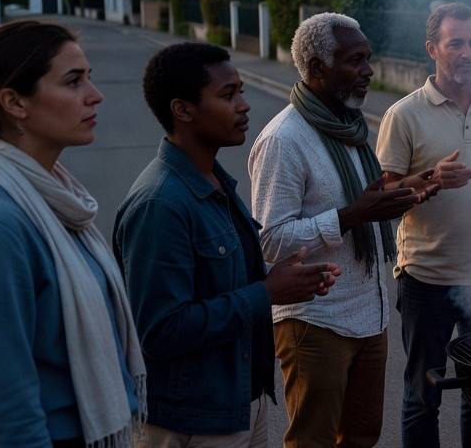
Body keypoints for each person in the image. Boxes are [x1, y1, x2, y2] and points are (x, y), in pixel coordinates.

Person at [115, 42, 343, 447]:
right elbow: (161, 330)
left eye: (241, 91)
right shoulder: (160, 203)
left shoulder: (215, 180)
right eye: (227, 95)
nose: (244, 105)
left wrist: (279, 279)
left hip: (241, 402)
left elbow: (217, 284)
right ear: (182, 110)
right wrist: (266, 293)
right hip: (194, 417)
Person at [0, 19, 145, 447]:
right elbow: (4, 418)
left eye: (89, 78)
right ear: (14, 102)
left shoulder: (57, 201)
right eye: (73, 81)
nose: (95, 95)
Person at [249, 13, 428, 448]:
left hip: (369, 314)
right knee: (313, 440)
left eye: (368, 58)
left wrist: (412, 188)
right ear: (317, 68)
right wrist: (349, 217)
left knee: (362, 436)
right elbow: (270, 241)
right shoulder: (283, 140)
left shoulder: (351, 127)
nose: (368, 70)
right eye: (355, 60)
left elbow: (366, 201)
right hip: (316, 321)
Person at [375, 2, 471, 448]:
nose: (467, 53)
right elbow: (383, 197)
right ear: (432, 49)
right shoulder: (403, 115)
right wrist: (429, 181)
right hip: (427, 278)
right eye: (456, 44)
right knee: (422, 397)